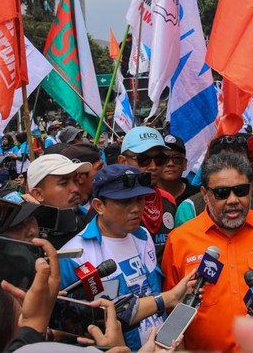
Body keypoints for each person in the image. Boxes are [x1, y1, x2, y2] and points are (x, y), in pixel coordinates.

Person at [162, 152, 253, 352]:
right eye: (222, 193)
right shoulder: (179, 240)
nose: (233, 200)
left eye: (240, 191)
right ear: (204, 194)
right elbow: (173, 310)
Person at [59, 165, 190, 351]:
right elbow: (74, 328)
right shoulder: (74, 256)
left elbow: (152, 293)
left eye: (140, 199)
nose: (136, 208)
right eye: (124, 201)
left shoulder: (143, 236)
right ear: (99, 206)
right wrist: (168, 298)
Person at [118, 126, 176, 262]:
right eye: (143, 159)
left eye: (160, 159)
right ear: (123, 161)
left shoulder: (168, 199)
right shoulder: (109, 205)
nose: (153, 166)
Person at [157, 134, 199, 203]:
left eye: (177, 158)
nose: (170, 164)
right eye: (163, 158)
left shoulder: (198, 196)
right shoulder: (146, 196)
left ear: (185, 164)